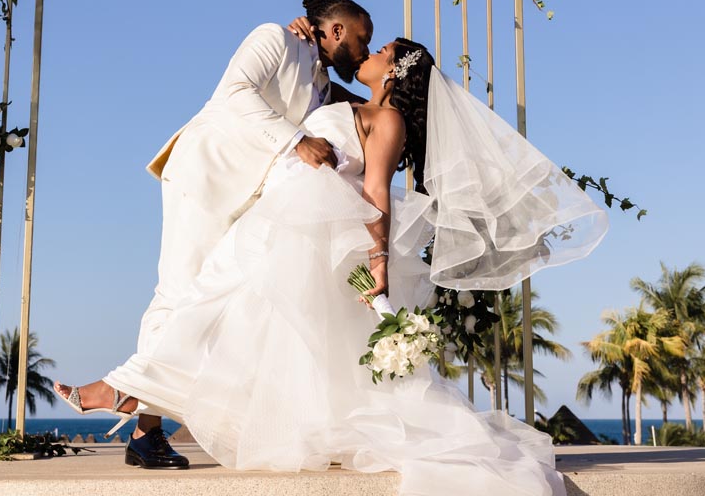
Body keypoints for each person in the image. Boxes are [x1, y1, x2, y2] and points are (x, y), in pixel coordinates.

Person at [59, 36, 609, 495]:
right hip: (276, 218)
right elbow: (300, 95)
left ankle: (124, 392)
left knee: (225, 313)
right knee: (218, 311)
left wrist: (379, 262)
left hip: (301, 230)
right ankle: (132, 393)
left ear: (393, 70)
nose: (367, 51)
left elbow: (375, 192)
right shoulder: (351, 99)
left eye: (380, 48)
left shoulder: (389, 120)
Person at [54, 0, 373, 469]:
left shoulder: (326, 87)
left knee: (212, 302)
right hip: (204, 177)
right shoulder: (276, 38)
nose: (364, 48)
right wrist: (296, 141)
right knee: (179, 293)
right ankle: (132, 412)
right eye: (360, 38)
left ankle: (143, 427)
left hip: (246, 201)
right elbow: (234, 93)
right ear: (334, 29)